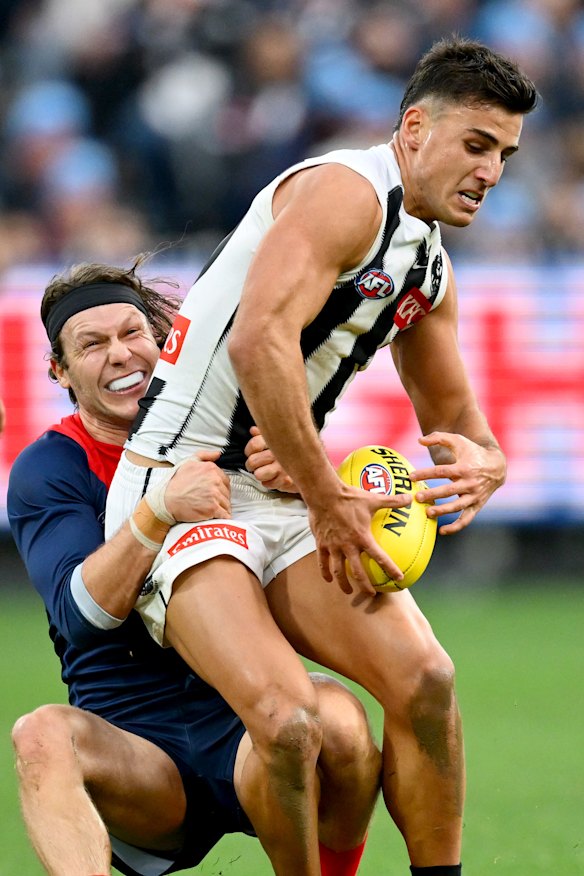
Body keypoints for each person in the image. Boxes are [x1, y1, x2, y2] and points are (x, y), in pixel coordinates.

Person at [105, 37, 538, 876]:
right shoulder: (345, 193)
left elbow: (456, 419)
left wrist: (490, 462)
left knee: (427, 683)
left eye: (507, 156)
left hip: (285, 497)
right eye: (476, 145)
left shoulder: (426, 264)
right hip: (182, 487)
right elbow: (258, 340)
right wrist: (326, 492)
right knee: (291, 720)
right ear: (414, 128)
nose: (491, 172)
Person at [7, 261, 382, 876]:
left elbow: (331, 572)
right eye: (92, 345)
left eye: (134, 334)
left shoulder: (236, 431)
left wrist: (308, 488)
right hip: (138, 749)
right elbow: (79, 619)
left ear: (165, 343)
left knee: (340, 719)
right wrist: (157, 511)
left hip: (247, 722)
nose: (122, 355)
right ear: (60, 372)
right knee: (41, 734)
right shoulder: (49, 469)